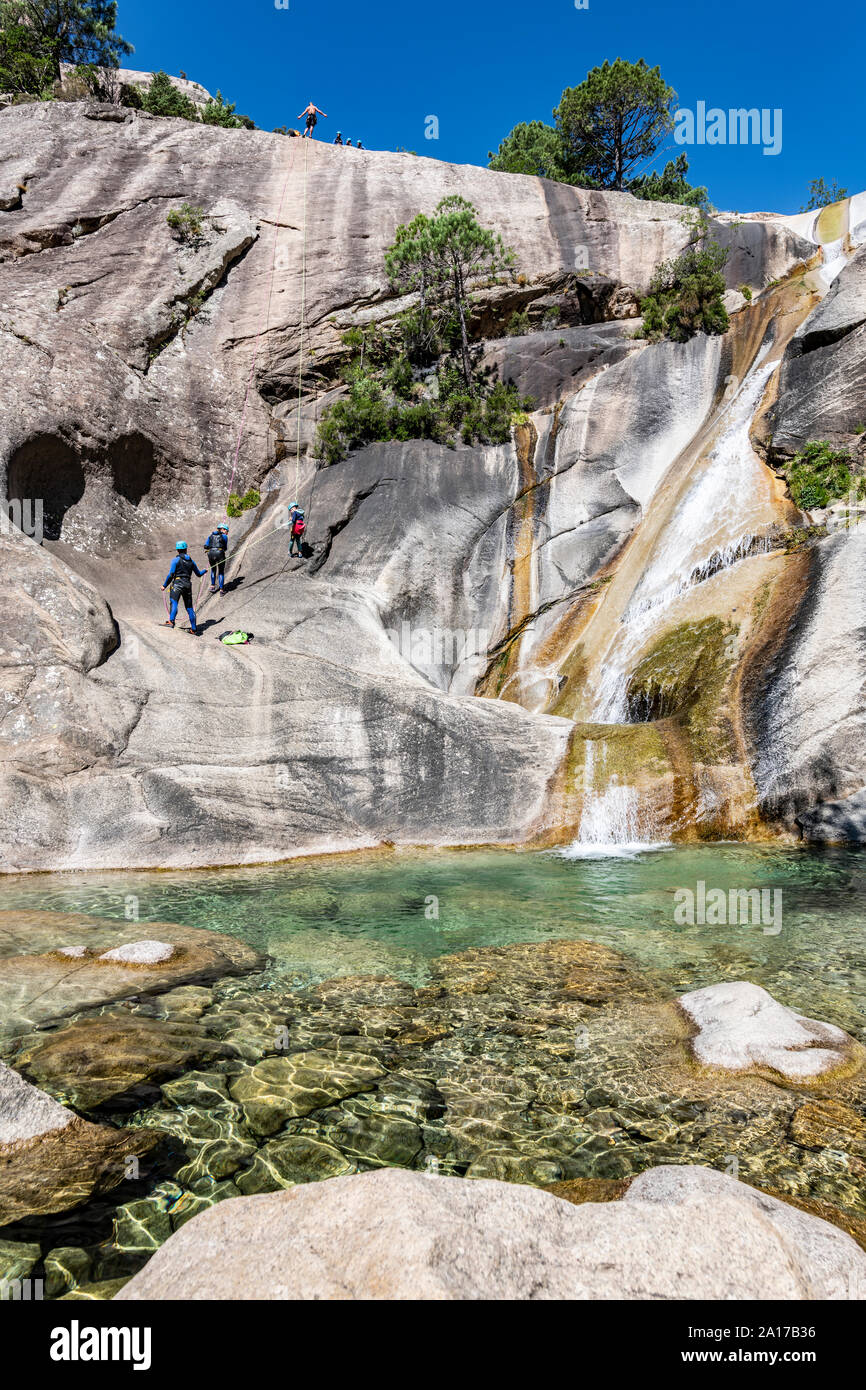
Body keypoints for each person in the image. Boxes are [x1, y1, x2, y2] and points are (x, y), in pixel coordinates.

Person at [162, 542, 204, 634]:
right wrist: (204, 571)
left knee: (174, 602)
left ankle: (171, 621)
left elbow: (171, 574)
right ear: (186, 549)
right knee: (189, 608)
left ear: (177, 550)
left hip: (177, 583)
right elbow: (199, 574)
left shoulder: (175, 560)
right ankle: (194, 629)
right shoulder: (191, 561)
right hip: (188, 585)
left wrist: (164, 585)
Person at [203, 524, 229, 593]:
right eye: (227, 530)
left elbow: (206, 546)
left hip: (211, 553)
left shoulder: (210, 536)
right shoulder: (224, 536)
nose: (227, 532)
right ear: (222, 529)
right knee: (221, 571)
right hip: (220, 553)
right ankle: (221, 589)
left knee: (213, 570)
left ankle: (212, 586)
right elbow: (225, 548)